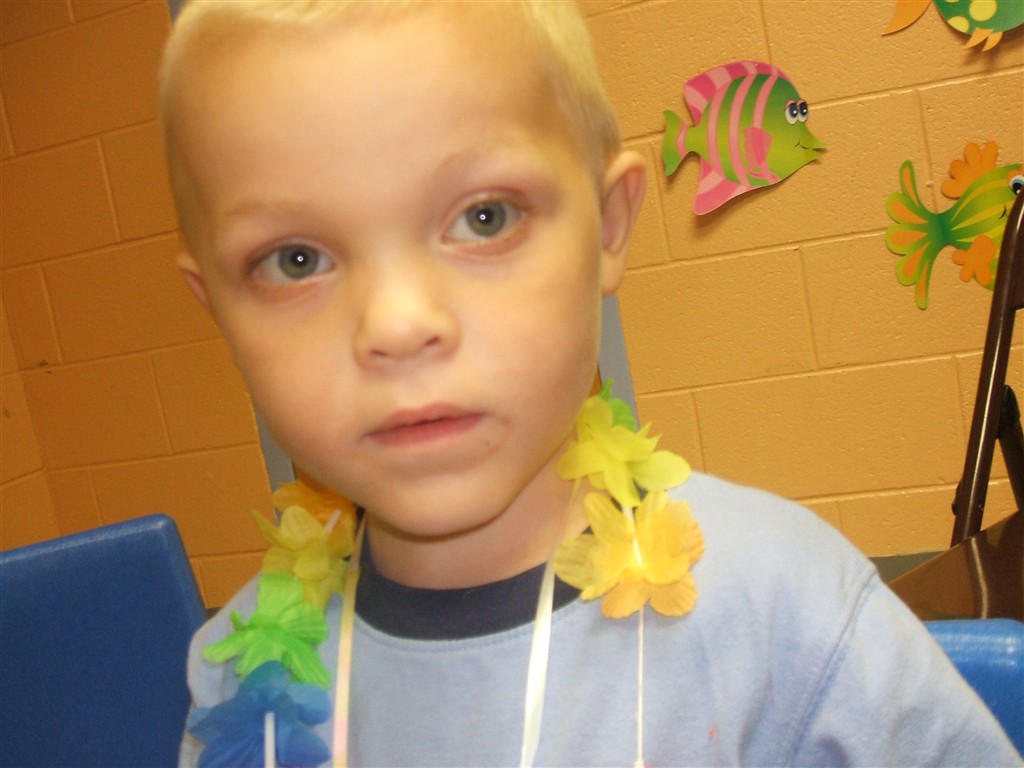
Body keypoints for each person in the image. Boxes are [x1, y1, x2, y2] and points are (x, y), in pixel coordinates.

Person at [159, 1, 1022, 766]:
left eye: (484, 217)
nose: (397, 323)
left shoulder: (782, 614)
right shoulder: (236, 681)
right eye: (294, 260)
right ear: (217, 308)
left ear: (609, 227)